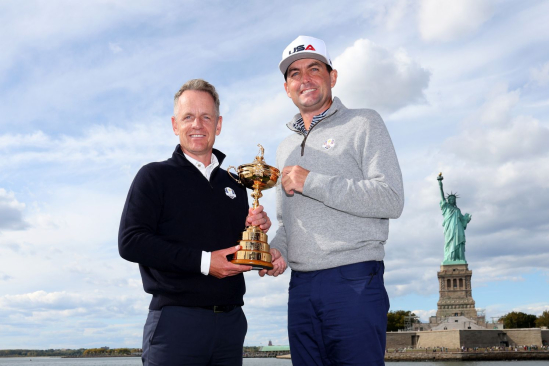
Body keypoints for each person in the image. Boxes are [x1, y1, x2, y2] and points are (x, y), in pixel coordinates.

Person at [265, 36, 405, 366]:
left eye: (314, 69)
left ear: (333, 76)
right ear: (287, 88)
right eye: (295, 73)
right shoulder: (284, 148)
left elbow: (390, 198)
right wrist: (277, 251)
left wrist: (310, 180)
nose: (305, 79)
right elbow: (287, 223)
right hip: (300, 289)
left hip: (353, 280)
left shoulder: (364, 122)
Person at [119, 79, 274, 366]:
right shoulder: (154, 176)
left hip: (231, 324)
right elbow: (131, 242)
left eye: (206, 116)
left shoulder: (236, 184)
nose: (197, 125)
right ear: (174, 124)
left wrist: (261, 242)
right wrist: (205, 263)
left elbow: (235, 251)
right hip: (176, 322)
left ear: (219, 124)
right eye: (188, 117)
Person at [437, 173, 472, 264]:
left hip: (458, 228)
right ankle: (450, 259)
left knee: (459, 242)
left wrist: (466, 219)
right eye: (450, 199)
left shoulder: (458, 210)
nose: (452, 200)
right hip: (449, 229)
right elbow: (441, 194)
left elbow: (463, 221)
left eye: (453, 199)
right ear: (448, 200)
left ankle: (459, 258)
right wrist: (440, 183)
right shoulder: (446, 207)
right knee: (450, 242)